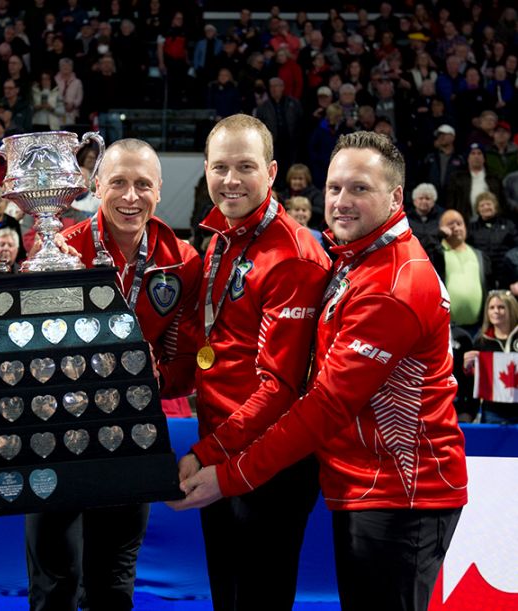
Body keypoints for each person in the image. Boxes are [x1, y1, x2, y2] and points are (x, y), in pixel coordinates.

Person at [171, 131, 468, 611]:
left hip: (402, 496)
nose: (341, 202)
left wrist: (226, 474)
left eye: (359, 188)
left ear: (396, 196)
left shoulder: (391, 285)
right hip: (365, 485)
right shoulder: (357, 261)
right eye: (334, 188)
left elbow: (322, 402)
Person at [26, 138, 202, 611]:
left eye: (143, 184)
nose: (130, 196)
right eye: (118, 182)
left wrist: (143, 377)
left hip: (133, 435)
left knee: (114, 581)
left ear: (160, 191)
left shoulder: (182, 260)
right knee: (53, 580)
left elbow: (185, 365)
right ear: (95, 186)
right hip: (57, 435)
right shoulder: (61, 248)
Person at [174, 114, 331, 611]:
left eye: (246, 166)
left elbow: (280, 386)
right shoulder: (223, 236)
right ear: (205, 170)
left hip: (268, 464)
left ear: (272, 170)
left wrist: (205, 454)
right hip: (223, 449)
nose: (231, 179)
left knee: (259, 598)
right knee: (228, 594)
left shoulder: (293, 255)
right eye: (221, 167)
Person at [464, 290, 518, 424]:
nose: (496, 311)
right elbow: (473, 378)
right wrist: (467, 367)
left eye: (501, 307)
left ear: (511, 309)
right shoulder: (481, 341)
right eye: (491, 307)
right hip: (493, 411)